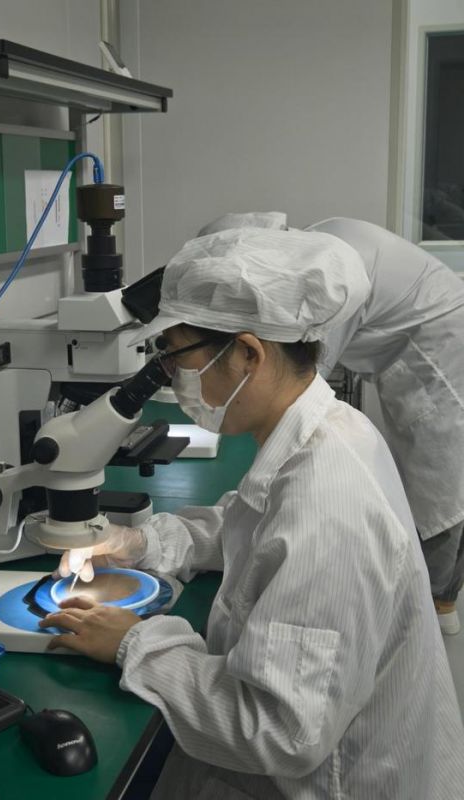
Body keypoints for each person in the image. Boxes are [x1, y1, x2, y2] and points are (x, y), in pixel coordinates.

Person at [40, 228, 464, 799]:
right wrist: (141, 543)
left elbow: (281, 733)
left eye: (176, 355)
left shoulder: (327, 504)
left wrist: (134, 643)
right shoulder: (325, 429)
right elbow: (255, 520)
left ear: (247, 352)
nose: (172, 374)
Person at [198, 213, 464, 636]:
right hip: (412, 352)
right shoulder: (317, 247)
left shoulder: (330, 267)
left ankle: (434, 604)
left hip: (444, 357)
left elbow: (298, 389)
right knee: (426, 480)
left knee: (441, 484)